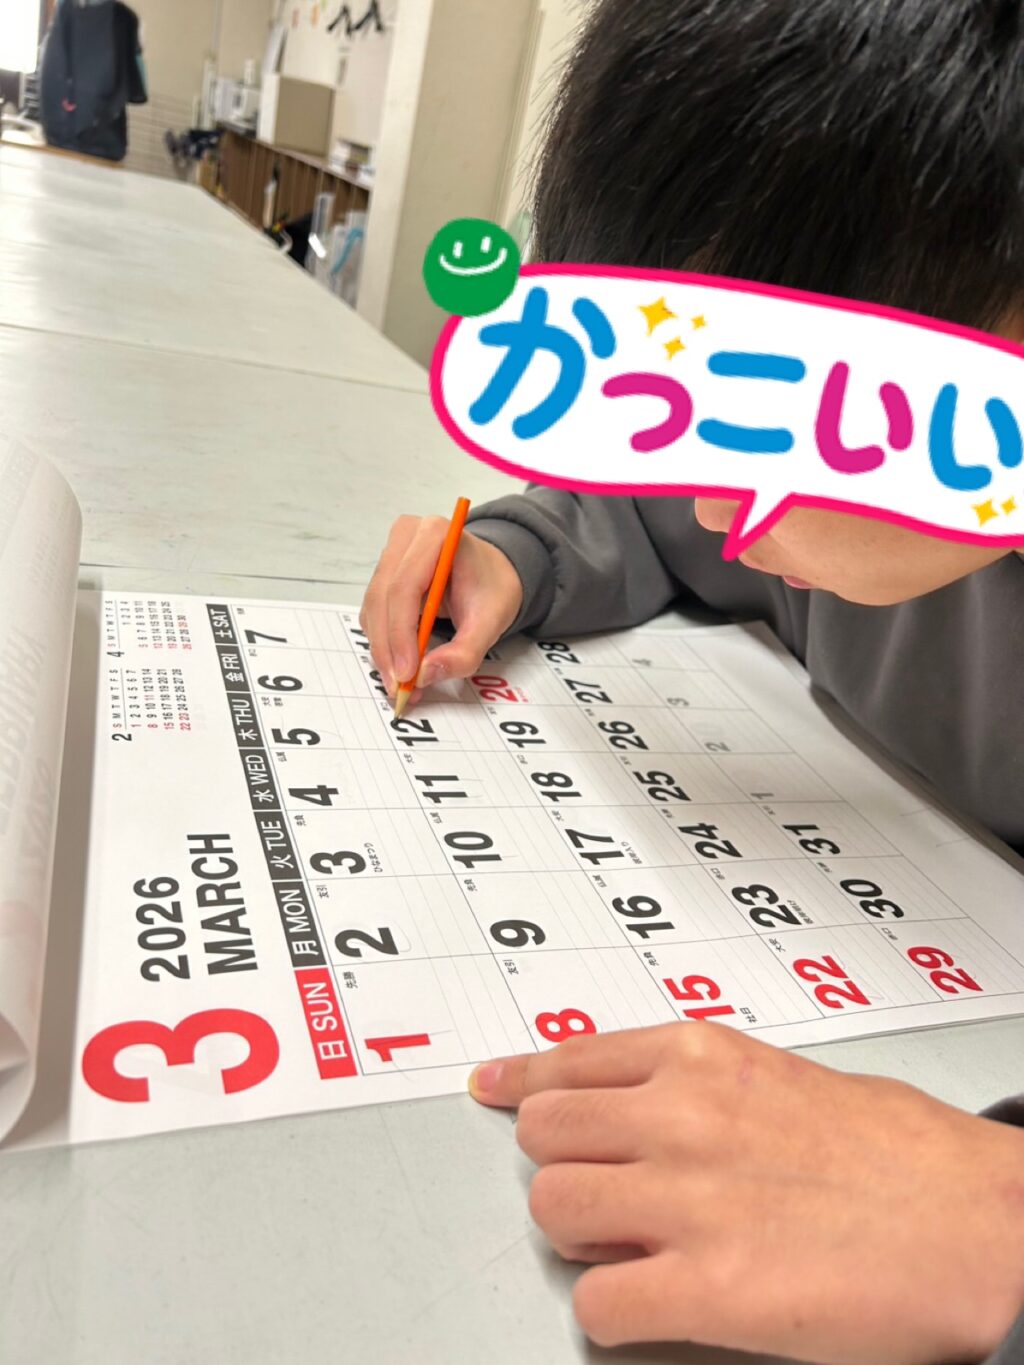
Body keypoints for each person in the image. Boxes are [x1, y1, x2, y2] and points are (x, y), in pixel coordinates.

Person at [361, 0, 1024, 1358]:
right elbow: (659, 518)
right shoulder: (842, 517)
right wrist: (516, 552)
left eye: (804, 420)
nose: (727, 501)